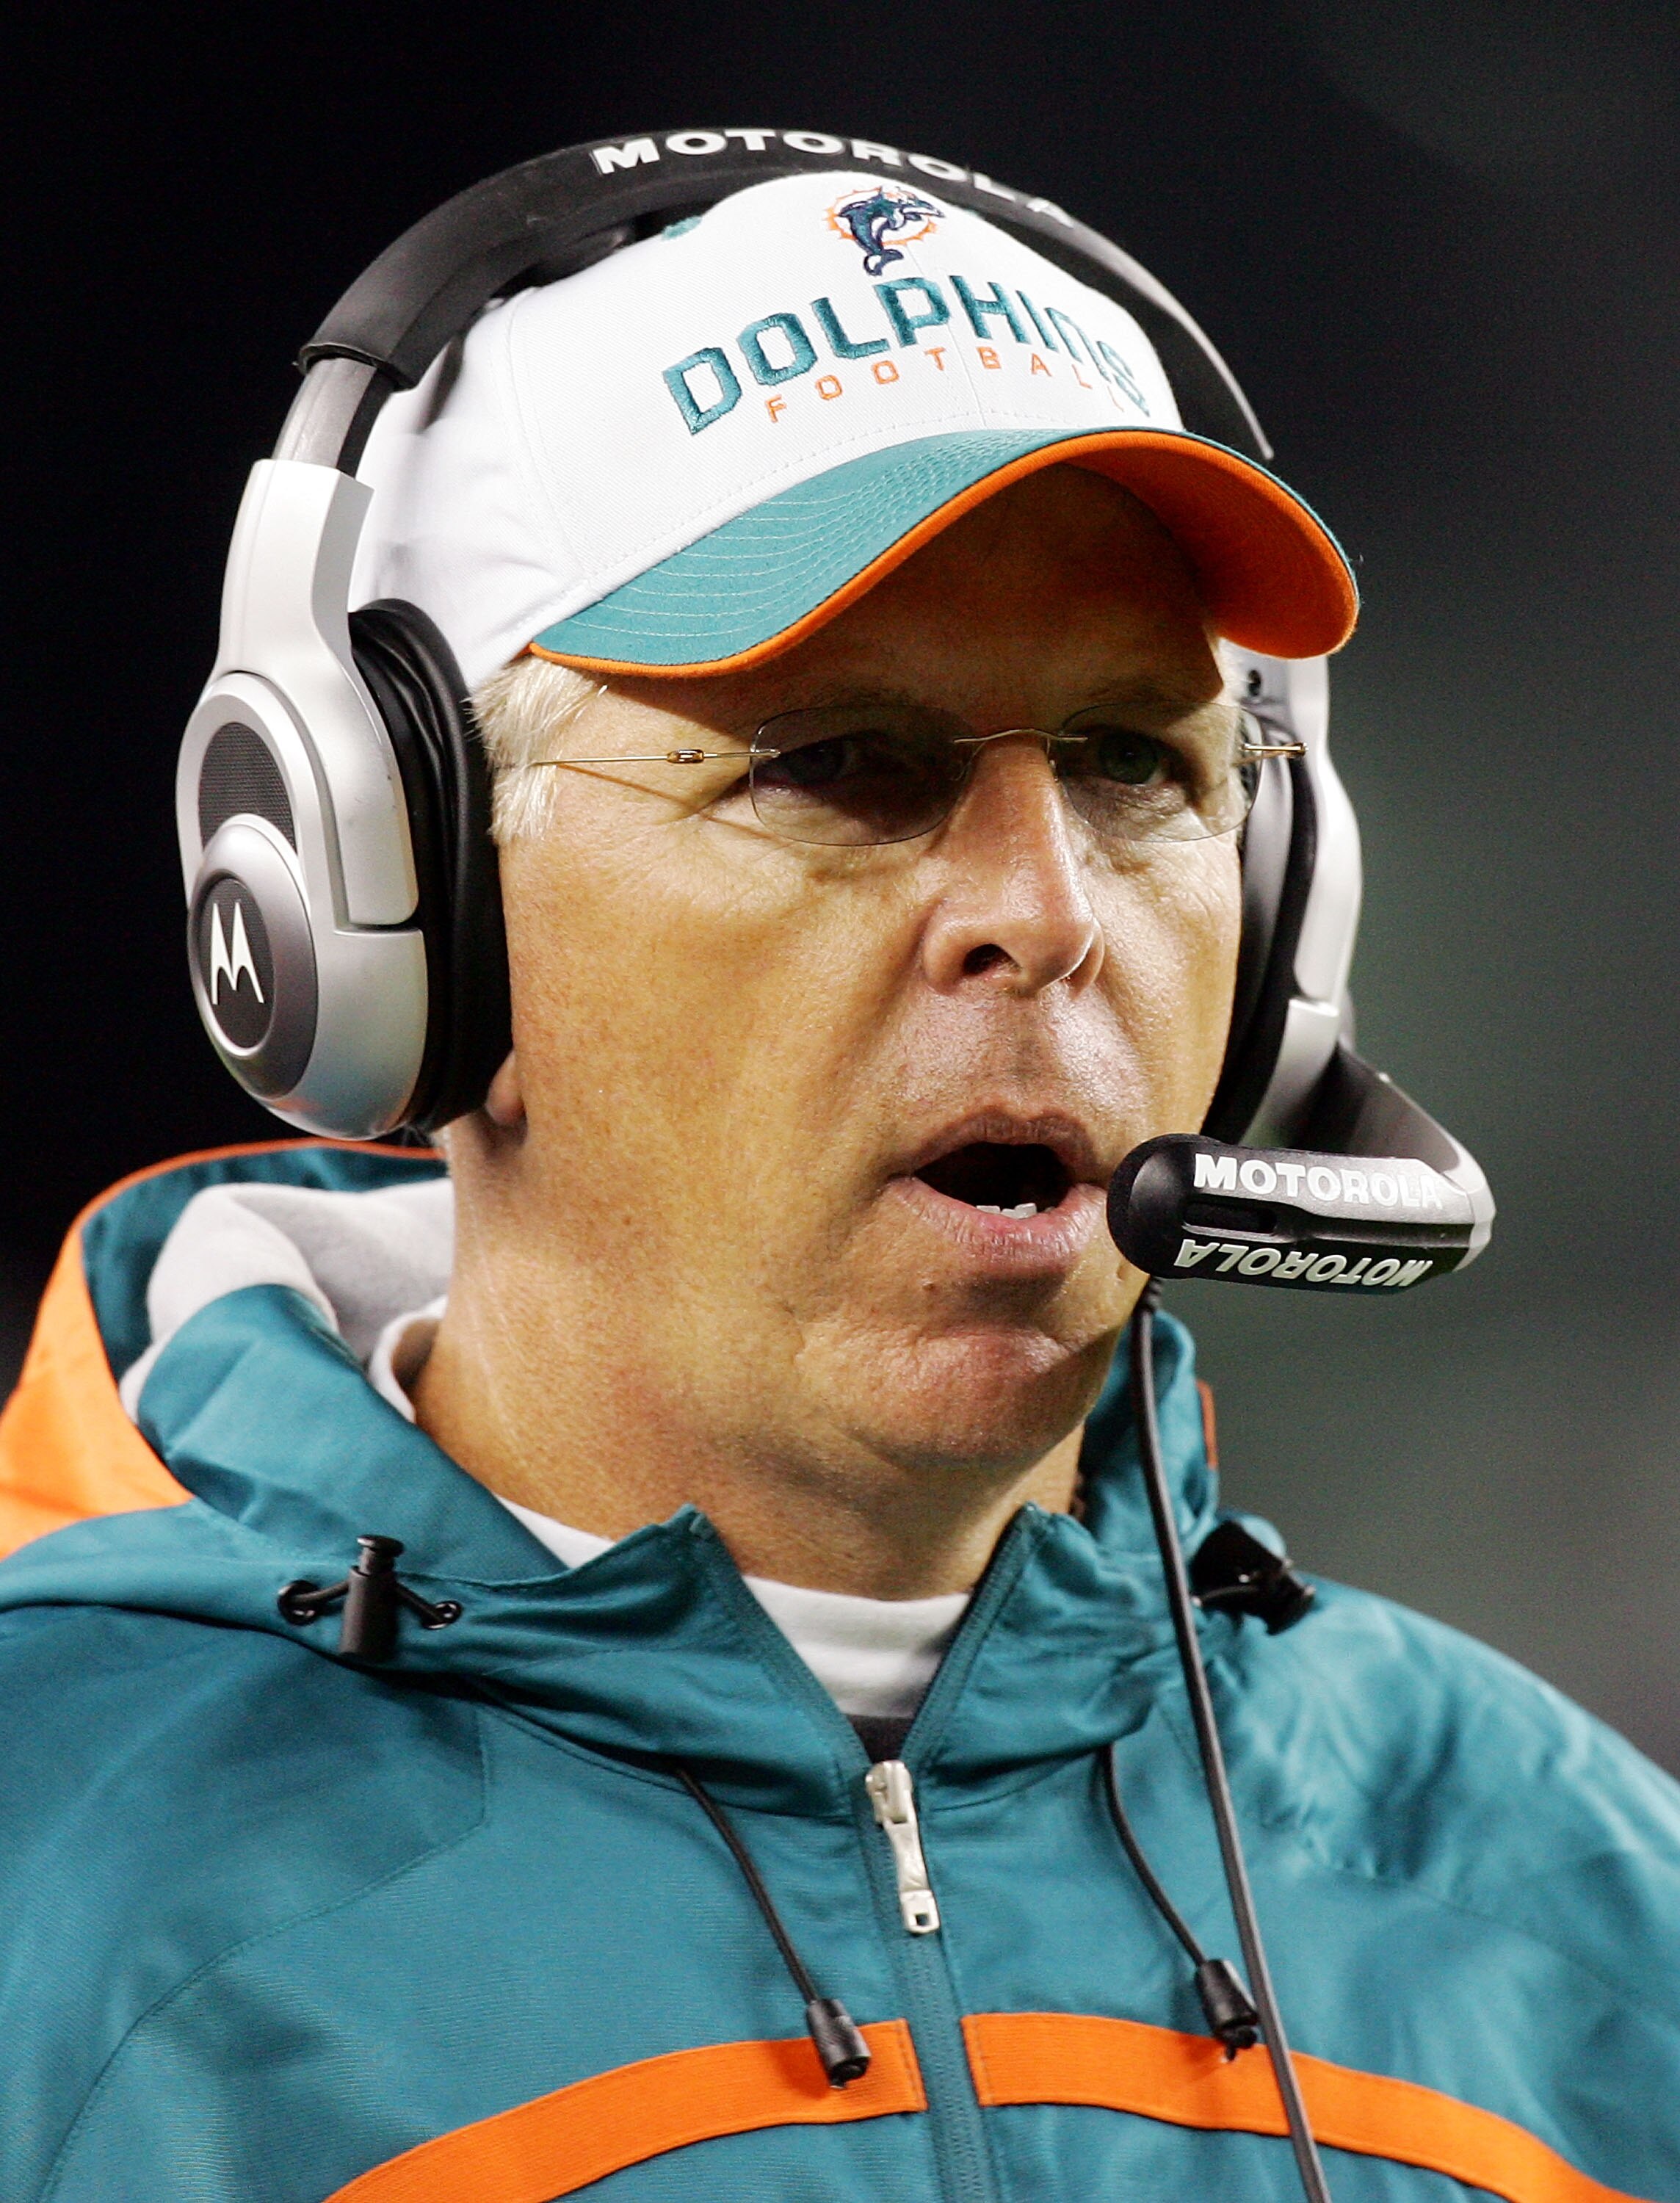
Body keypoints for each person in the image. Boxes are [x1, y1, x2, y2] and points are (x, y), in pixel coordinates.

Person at [2, 142, 1678, 2203]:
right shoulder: (47, 1905)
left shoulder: (1590, 1924)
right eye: (840, 763)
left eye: (1135, 763)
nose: (1046, 913)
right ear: (392, 905)